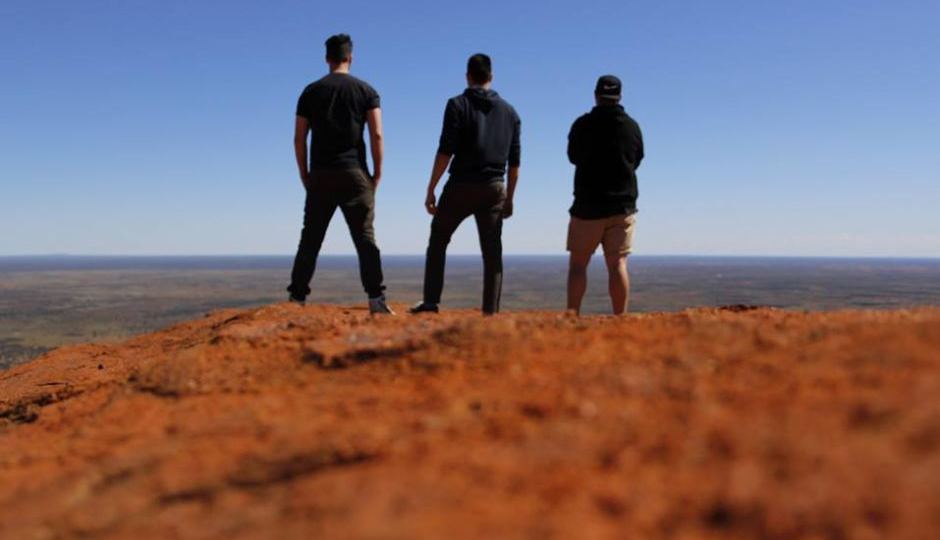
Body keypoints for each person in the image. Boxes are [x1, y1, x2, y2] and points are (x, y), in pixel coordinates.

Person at [287, 34, 393, 314]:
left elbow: (299, 139)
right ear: (351, 57)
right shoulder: (366, 91)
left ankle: (296, 298)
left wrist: (304, 174)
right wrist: (378, 173)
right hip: (354, 173)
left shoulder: (310, 92)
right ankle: (376, 299)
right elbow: (377, 134)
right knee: (365, 238)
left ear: (327, 59)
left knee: (310, 238)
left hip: (321, 174)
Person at [410, 54, 521, 315]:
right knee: (492, 252)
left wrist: (431, 188)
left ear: (468, 76)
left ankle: (431, 302)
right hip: (494, 188)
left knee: (438, 239)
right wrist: (510, 197)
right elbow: (515, 163)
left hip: (461, 186)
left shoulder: (457, 105)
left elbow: (445, 151)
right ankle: (490, 312)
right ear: (491, 77)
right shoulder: (510, 113)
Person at [565, 75, 644, 315]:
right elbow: (636, 160)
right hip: (623, 206)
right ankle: (620, 319)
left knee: (578, 264)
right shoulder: (632, 126)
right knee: (618, 264)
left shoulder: (582, 125)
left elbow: (573, 157)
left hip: (588, 207)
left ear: (596, 95)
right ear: (619, 96)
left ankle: (572, 318)